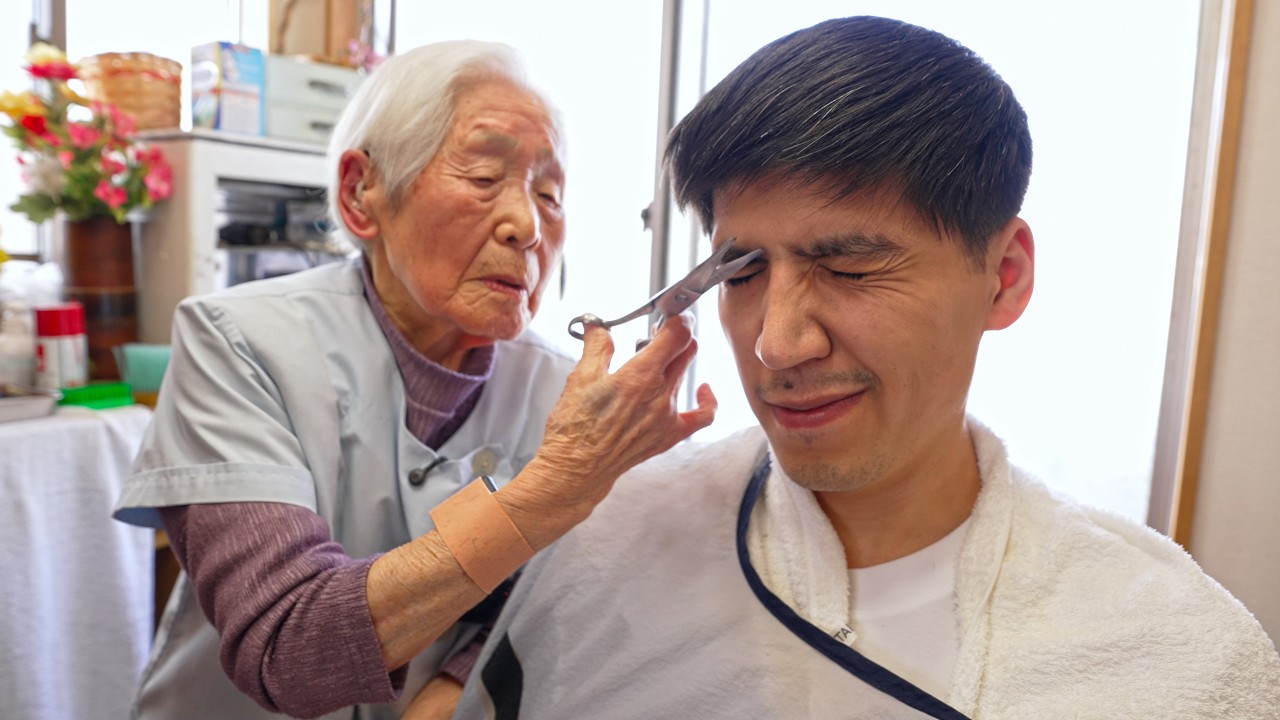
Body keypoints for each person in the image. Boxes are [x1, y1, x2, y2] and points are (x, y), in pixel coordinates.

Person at [452, 15, 1280, 719]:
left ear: (1006, 276)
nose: (778, 343)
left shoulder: (1172, 652)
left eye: (849, 267)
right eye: (741, 272)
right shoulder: (610, 541)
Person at [111, 40, 717, 720]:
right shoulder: (238, 341)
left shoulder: (558, 385)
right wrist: (561, 485)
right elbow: (286, 646)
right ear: (361, 194)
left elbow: (546, 595)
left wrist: (455, 683)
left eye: (549, 194)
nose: (526, 224)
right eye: (485, 178)